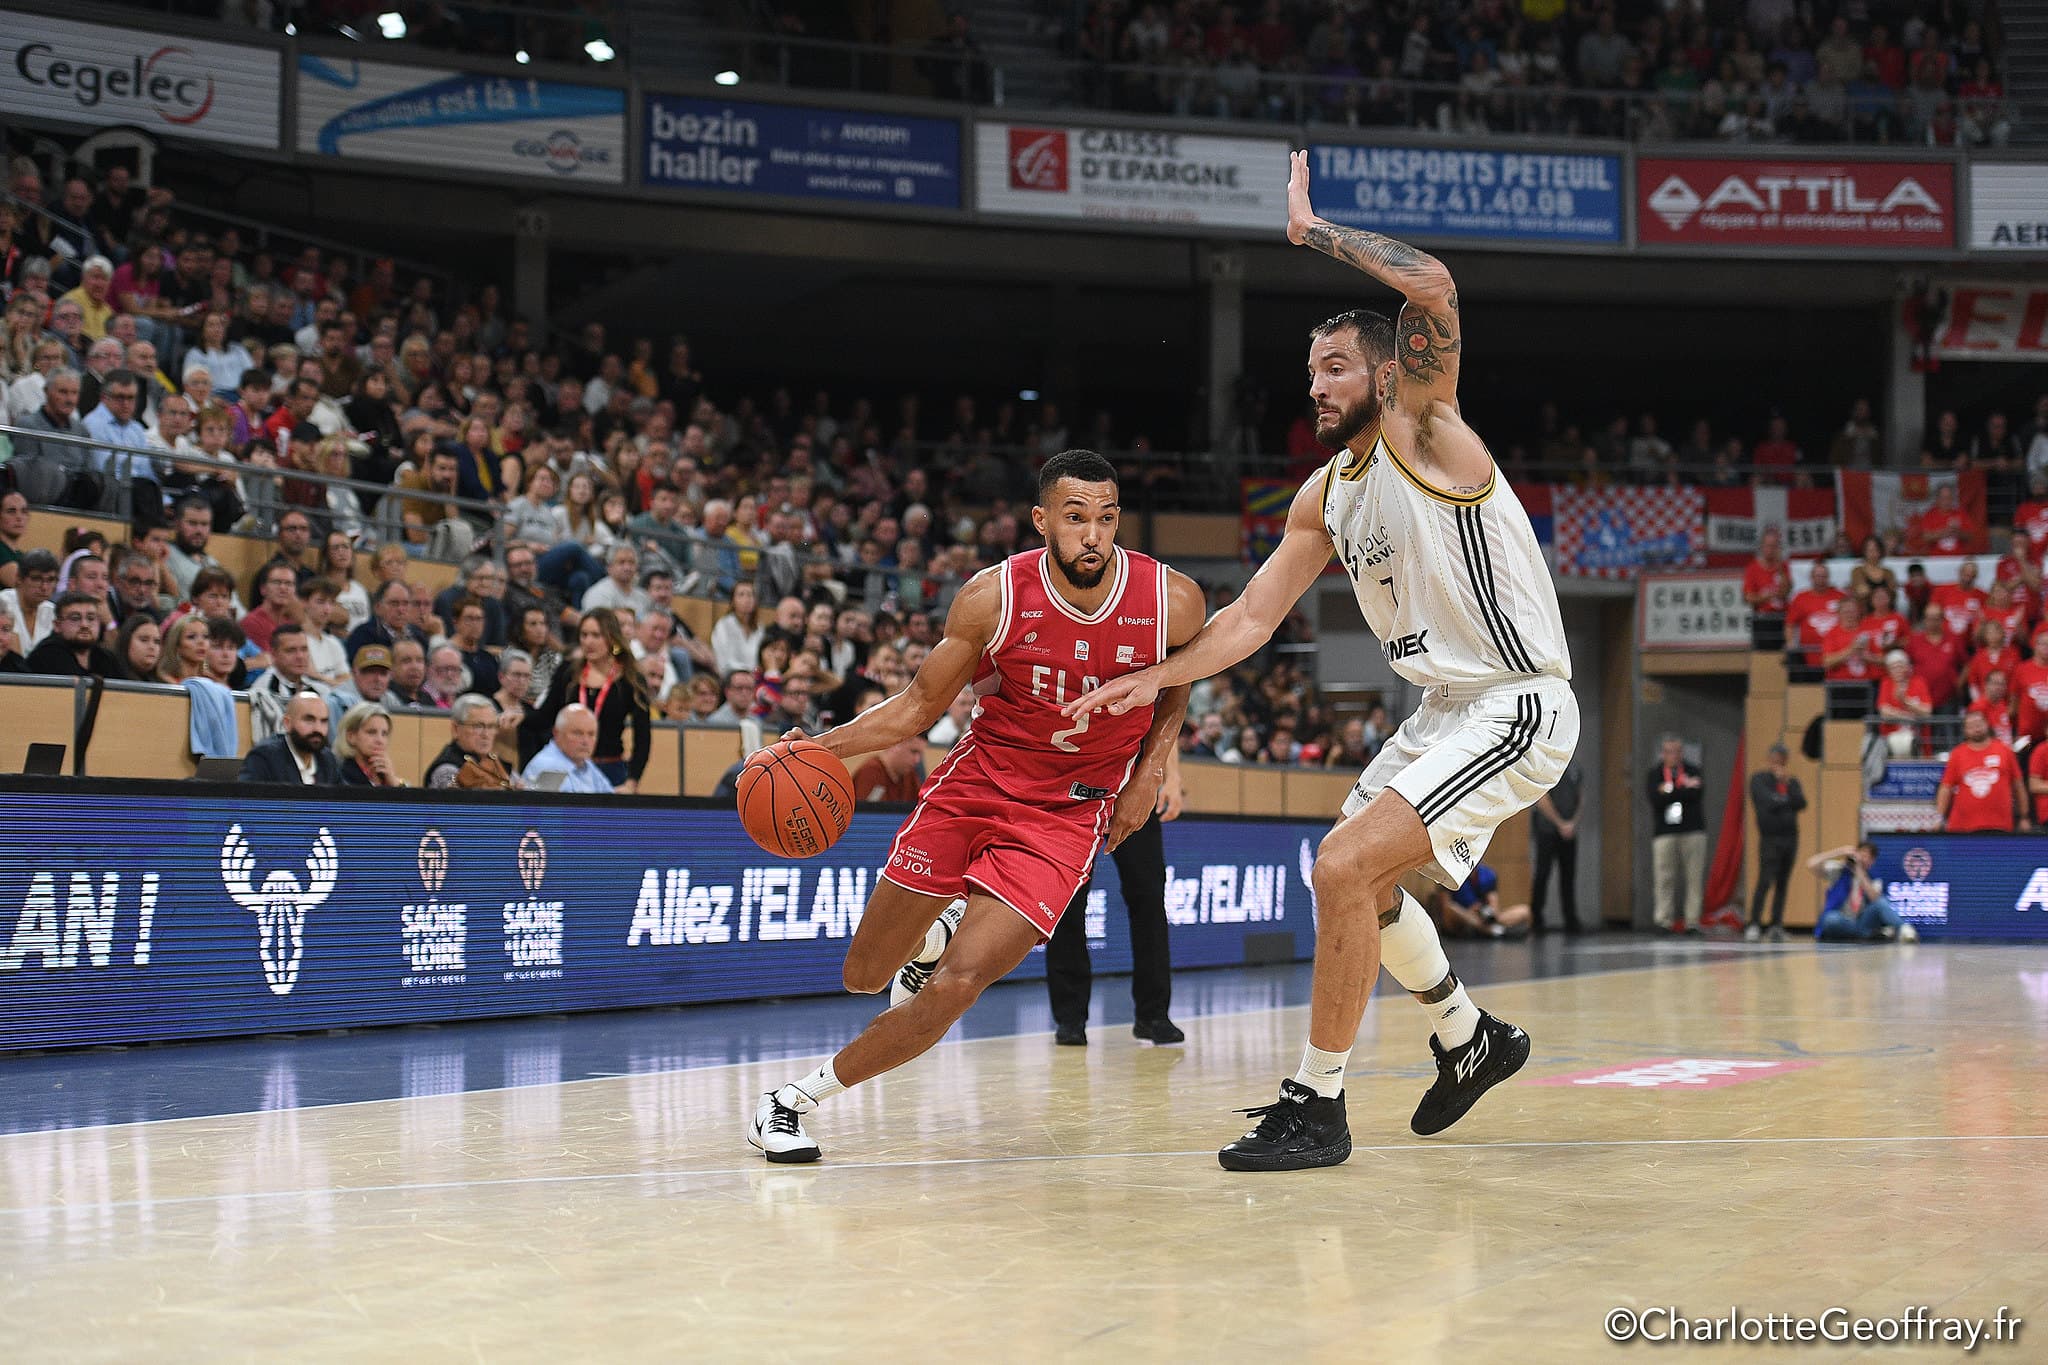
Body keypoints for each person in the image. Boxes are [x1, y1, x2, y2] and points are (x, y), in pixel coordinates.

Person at [1065, 159, 1574, 1170]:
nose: (1316, 385)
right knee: (1349, 875)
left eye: (1335, 366)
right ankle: (1466, 1035)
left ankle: (1318, 1104)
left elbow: (1432, 286)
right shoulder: (1324, 493)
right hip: (1444, 711)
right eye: (1310, 373)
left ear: (1385, 375)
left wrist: (1312, 232)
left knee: (1343, 866)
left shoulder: (1425, 430)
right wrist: (1153, 677)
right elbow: (1252, 617)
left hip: (1514, 703)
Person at [747, 450, 1203, 1164]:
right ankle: (934, 935)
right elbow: (917, 707)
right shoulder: (993, 597)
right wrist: (820, 748)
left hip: (1066, 814)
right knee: (866, 975)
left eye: (1107, 518)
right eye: (1076, 518)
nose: (1093, 535)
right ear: (1042, 521)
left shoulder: (1171, 599)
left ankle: (791, 1101)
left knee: (960, 984)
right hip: (978, 784)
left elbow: (1181, 677)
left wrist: (1150, 771)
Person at [1044, 748, 1186, 1048]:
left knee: (1149, 899)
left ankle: (1153, 1015)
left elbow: (1166, 725)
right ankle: (1070, 1017)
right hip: (1075, 783)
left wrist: (1172, 778)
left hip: (1133, 783)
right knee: (1068, 902)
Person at [529, 608, 652, 792]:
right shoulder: (568, 672)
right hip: (566, 766)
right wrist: (520, 715)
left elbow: (642, 738)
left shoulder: (631, 680)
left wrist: (631, 782)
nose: (588, 642)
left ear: (612, 638)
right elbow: (545, 717)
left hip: (610, 768)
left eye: (596, 635)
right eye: (584, 635)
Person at [1745, 743, 1807, 942]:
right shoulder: (1759, 779)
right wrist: (1785, 800)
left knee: (1783, 882)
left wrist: (1785, 787)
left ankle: (1776, 924)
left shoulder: (1791, 781)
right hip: (1770, 838)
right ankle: (1754, 923)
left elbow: (1801, 802)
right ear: (1770, 758)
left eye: (1783, 758)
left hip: (1790, 837)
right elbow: (1767, 802)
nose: (1779, 761)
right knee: (1765, 880)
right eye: (1776, 757)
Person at [1647, 735, 1708, 934]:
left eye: (1677, 751)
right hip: (1665, 832)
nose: (1673, 755)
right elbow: (1655, 799)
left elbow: (1696, 794)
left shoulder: (1693, 770)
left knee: (1694, 878)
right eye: (1669, 752)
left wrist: (1669, 790)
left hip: (1692, 831)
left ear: (1682, 753)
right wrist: (1682, 787)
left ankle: (1692, 922)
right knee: (1664, 878)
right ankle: (1663, 921)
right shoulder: (1655, 774)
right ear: (1662, 753)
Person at [1937, 708, 2028, 833]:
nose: (1976, 728)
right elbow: (1946, 788)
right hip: (1963, 828)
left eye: (1979, 724)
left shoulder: (2004, 751)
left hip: (1999, 825)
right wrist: (1939, 817)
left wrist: (2024, 816)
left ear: (1987, 724)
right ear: (1965, 730)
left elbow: (2018, 784)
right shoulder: (1957, 754)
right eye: (1971, 726)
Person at [1807, 842, 1916, 943]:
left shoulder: (1873, 878)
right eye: (1861, 854)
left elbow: (1875, 898)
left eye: (1866, 856)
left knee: (1882, 902)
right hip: (1841, 918)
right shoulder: (1839, 870)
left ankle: (1905, 930)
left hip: (1862, 920)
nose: (1862, 859)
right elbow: (1811, 864)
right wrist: (1839, 852)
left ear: (1872, 861)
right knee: (1831, 919)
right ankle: (1867, 934)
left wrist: (1859, 871)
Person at [238, 690, 344, 785]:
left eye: (323, 721)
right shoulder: (264, 757)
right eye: (309, 720)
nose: (318, 729)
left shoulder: (327, 759)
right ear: (287, 723)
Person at [248, 624, 329, 743]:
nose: (300, 656)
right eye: (291, 650)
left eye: (304, 649)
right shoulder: (262, 690)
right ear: (274, 655)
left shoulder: (321, 690)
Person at [1528, 762, 1584, 934]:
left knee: (1568, 876)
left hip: (1569, 830)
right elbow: (1541, 799)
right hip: (1547, 829)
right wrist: (1560, 823)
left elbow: (1580, 797)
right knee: (1542, 874)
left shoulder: (1575, 769)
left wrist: (1572, 823)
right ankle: (1536, 919)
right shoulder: (1547, 766)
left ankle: (1571, 919)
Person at [424, 694, 517, 789]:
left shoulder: (497, 764)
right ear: (455, 729)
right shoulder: (446, 770)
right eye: (478, 726)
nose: (486, 734)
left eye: (491, 726)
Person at [521, 703, 614, 793]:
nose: (585, 741)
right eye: (578, 733)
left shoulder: (584, 763)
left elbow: (608, 796)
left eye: (591, 734)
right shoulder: (547, 766)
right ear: (557, 733)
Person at [26, 592, 120, 677]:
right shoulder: (47, 654)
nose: (84, 625)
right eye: (75, 618)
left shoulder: (105, 657)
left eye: (91, 618)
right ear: (57, 625)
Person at [1428, 863, 1531, 938]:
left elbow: (1494, 906)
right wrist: (1468, 912)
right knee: (1452, 908)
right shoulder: (1449, 875)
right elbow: (1446, 907)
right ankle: (1488, 930)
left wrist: (1485, 910)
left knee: (1525, 910)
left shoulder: (1488, 874)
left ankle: (1487, 929)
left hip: (1481, 916)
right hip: (1460, 918)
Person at [338, 703, 406, 787]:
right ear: (351, 736)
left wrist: (393, 782)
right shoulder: (340, 776)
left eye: (384, 734)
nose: (380, 740)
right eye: (371, 732)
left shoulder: (387, 775)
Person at [848, 735, 925, 804]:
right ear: (895, 745)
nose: (917, 760)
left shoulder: (910, 775)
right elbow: (864, 813)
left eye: (920, 754)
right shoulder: (871, 773)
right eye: (913, 752)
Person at [1742, 527, 1792, 614]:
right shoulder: (1753, 568)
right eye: (1768, 545)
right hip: (1762, 615)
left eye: (1774, 546)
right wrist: (1767, 597)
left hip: (1782, 614)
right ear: (1762, 546)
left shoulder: (1783, 566)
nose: (1770, 550)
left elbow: (1785, 591)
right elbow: (1748, 597)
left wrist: (1780, 567)